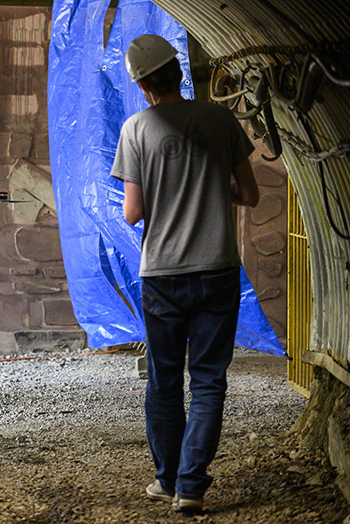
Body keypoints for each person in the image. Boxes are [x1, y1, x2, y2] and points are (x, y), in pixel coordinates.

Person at [110, 34, 260, 513]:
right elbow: (250, 195)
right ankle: (192, 487)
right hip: (218, 269)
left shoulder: (136, 128)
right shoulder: (220, 118)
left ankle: (167, 479)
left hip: (163, 274)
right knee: (210, 380)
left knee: (164, 379)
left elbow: (133, 212)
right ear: (177, 72)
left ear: (142, 85)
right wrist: (214, 190)